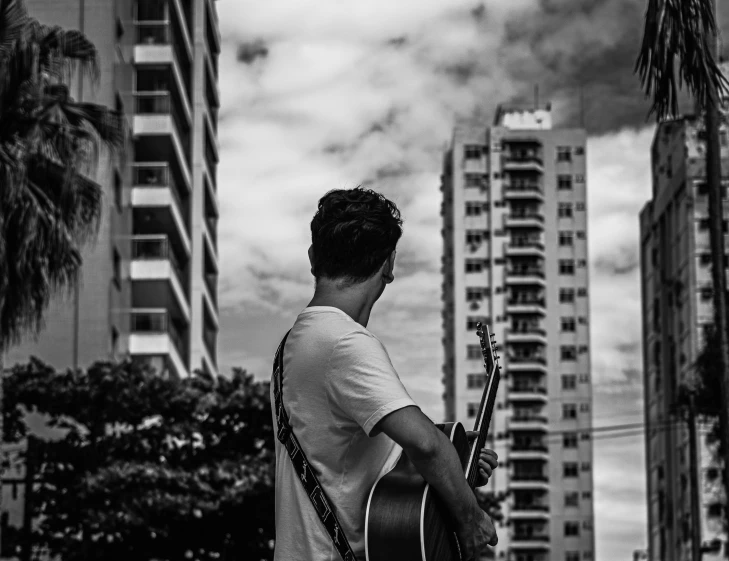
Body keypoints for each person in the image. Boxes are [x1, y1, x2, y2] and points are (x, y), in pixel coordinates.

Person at [271, 187, 499, 561]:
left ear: (313, 257)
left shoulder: (293, 346)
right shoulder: (344, 340)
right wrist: (469, 517)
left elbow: (366, 474)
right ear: (389, 264)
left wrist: (458, 468)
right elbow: (426, 445)